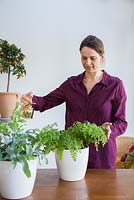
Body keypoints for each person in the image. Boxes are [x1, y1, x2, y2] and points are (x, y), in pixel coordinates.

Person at [21, 35, 128, 169]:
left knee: (102, 190)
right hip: (73, 153)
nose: (87, 62)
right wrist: (31, 100)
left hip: (102, 157)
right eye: (84, 58)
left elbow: (122, 122)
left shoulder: (115, 85)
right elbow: (46, 101)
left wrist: (110, 130)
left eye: (92, 58)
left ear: (102, 57)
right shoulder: (71, 84)